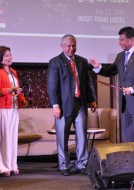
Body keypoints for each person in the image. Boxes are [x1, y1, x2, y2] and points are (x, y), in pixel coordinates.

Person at [89, 26, 134, 144]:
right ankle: (130, 162)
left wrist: (133, 89)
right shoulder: (121, 56)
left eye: (122, 40)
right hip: (127, 106)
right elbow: (111, 71)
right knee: (128, 140)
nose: (119, 43)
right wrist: (98, 67)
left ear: (131, 39)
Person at [47, 34, 97, 176]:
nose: (71, 48)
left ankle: (82, 164)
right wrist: (55, 105)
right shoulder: (55, 62)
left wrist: (92, 99)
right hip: (63, 106)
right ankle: (64, 165)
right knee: (62, 136)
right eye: (68, 45)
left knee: (81, 135)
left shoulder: (82, 61)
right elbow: (52, 85)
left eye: (73, 45)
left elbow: (88, 81)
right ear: (62, 46)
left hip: (80, 104)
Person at [0, 46, 28, 177]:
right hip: (0, 109)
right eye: (7, 55)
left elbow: (15, 89)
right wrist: (11, 90)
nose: (10, 57)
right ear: (0, 58)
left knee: (11, 138)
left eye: (10, 55)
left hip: (13, 108)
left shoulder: (13, 72)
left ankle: (12, 165)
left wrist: (22, 98)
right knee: (1, 138)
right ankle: (0, 166)